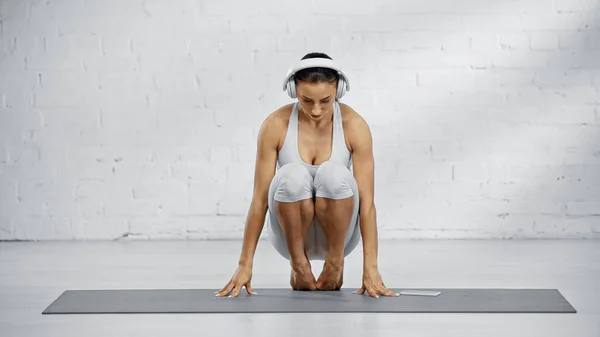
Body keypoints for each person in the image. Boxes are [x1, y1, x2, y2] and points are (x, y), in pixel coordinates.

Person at [216, 52, 396, 299]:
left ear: (339, 91)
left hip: (341, 237)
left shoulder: (354, 125)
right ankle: (299, 264)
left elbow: (367, 205)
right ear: (293, 91)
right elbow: (259, 200)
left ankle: (335, 263)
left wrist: (371, 268)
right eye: (306, 100)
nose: (316, 109)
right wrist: (245, 264)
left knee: (334, 174)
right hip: (289, 237)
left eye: (326, 100)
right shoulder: (275, 124)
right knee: (290, 175)